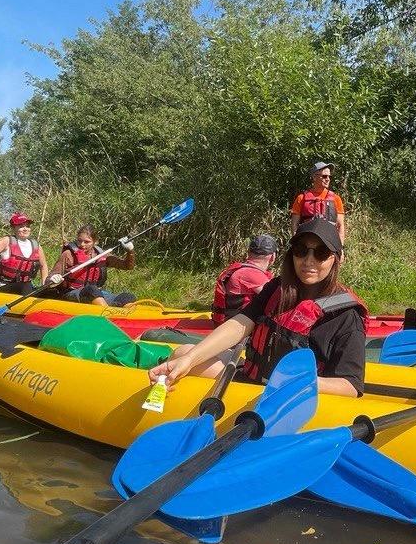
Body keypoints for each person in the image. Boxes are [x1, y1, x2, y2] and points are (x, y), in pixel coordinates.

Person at [148, 218, 366, 397]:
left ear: (336, 259)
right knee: (182, 353)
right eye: (301, 250)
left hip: (294, 397)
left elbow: (351, 386)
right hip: (252, 381)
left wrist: (296, 382)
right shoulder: (278, 288)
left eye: (320, 253)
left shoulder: (346, 316)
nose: (308, 261)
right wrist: (189, 360)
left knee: (186, 356)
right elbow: (241, 323)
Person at [41, 225, 137, 307]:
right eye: (79, 241)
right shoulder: (68, 254)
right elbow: (49, 279)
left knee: (127, 297)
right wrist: (53, 279)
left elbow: (127, 266)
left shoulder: (102, 255)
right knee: (91, 290)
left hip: (95, 293)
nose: (82, 244)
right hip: (71, 292)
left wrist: (130, 251)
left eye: (87, 242)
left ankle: (119, 314)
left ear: (95, 242)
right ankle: (107, 313)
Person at [212, 234, 278, 323]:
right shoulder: (252, 274)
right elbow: (278, 300)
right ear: (272, 257)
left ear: (249, 253)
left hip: (228, 322)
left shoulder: (244, 270)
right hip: (234, 326)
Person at [0, 213, 49, 294]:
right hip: (5, 284)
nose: (25, 229)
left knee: (29, 286)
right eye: (21, 226)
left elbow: (43, 266)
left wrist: (44, 285)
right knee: (23, 286)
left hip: (26, 286)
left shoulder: (36, 246)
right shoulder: (6, 241)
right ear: (13, 228)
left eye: (27, 226)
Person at [290, 162, 346, 246]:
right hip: (307, 242)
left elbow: (340, 226)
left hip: (329, 242)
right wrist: (296, 244)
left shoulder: (336, 198)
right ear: (314, 177)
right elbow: (294, 225)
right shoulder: (301, 198)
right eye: (324, 176)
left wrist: (340, 248)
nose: (328, 179)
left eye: (329, 176)